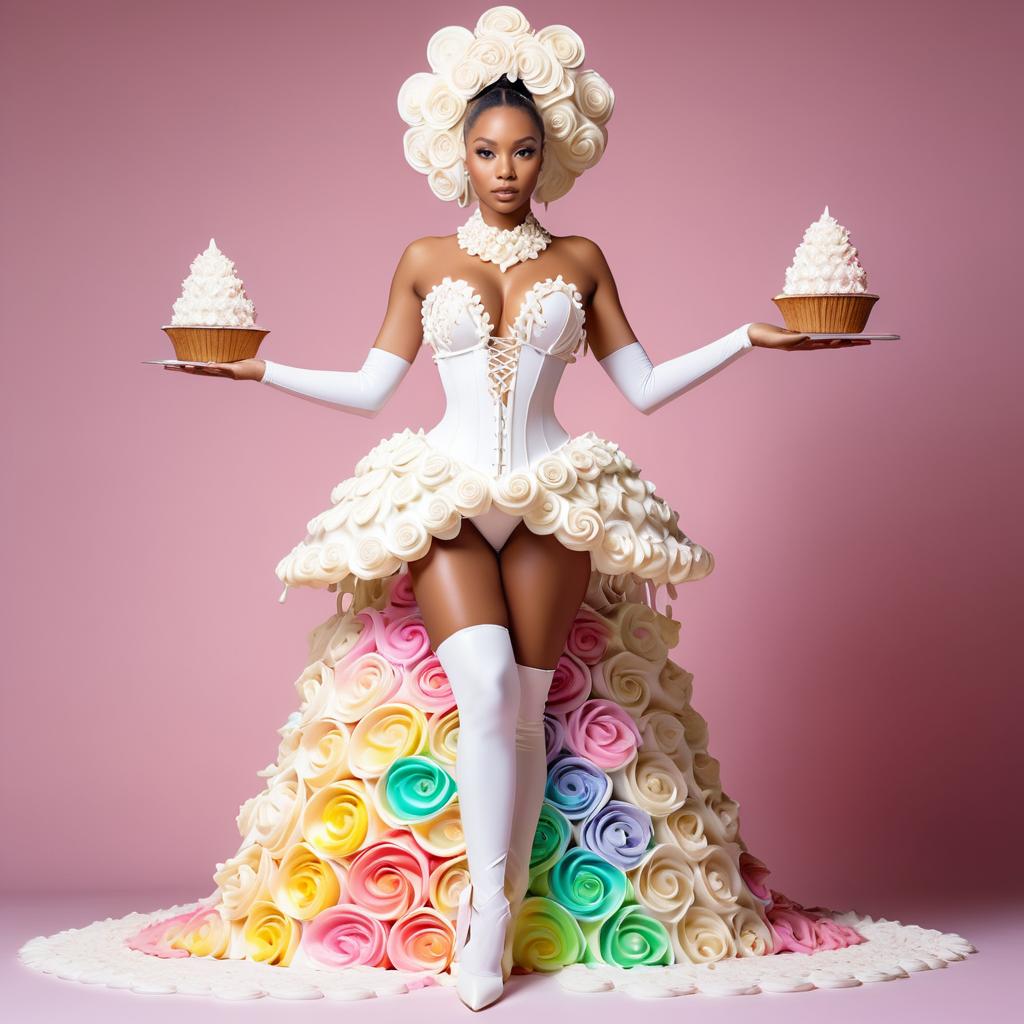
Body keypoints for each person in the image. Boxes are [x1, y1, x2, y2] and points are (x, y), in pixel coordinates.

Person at [161, 13, 869, 1012]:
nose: (505, 168)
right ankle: (478, 919)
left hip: (549, 500)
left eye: (522, 149)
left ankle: (491, 923)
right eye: (487, 150)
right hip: (450, 494)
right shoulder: (419, 257)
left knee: (524, 707)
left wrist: (752, 338)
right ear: (458, 153)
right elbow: (373, 388)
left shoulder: (579, 258)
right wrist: (255, 366)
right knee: (484, 683)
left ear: (551, 153)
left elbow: (646, 382)